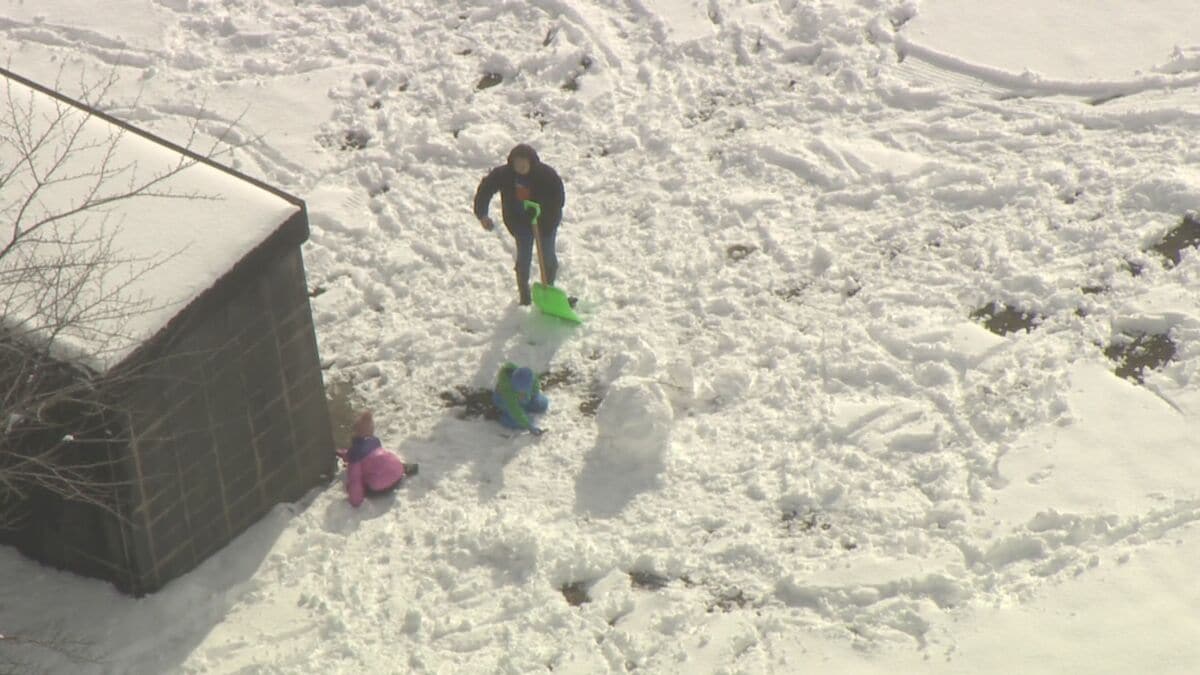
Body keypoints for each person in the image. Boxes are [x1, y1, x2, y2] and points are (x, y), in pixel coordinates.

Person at [473, 144, 566, 306]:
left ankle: (549, 290)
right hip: (520, 224)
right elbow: (485, 189)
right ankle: (524, 295)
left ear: (531, 163)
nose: (521, 168)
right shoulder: (504, 175)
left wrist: (540, 211)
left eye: (524, 164)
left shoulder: (546, 175)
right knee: (524, 259)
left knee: (548, 258)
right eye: (517, 164)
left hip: (545, 224)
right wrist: (482, 214)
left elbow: (558, 199)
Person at [335, 411, 418, 507]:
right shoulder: (374, 441)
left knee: (353, 484)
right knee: (385, 462)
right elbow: (363, 454)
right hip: (398, 473)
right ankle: (410, 468)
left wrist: (355, 500)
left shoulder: (355, 454)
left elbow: (355, 479)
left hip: (382, 487)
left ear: (354, 433)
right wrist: (345, 454)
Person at [492, 363, 549, 435]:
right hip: (504, 401)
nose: (521, 393)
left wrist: (531, 396)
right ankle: (500, 416)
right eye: (519, 391)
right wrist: (529, 426)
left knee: (542, 405)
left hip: (522, 399)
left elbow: (535, 387)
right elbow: (515, 409)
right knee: (522, 421)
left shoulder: (528, 376)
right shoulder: (508, 389)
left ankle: (524, 408)